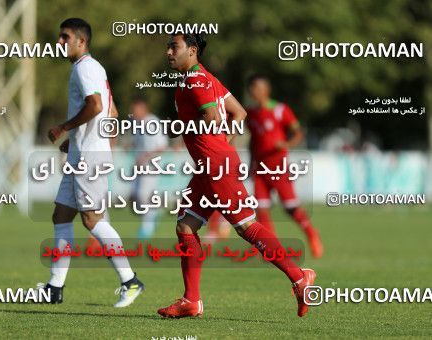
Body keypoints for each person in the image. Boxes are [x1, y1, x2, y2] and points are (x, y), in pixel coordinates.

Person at [157, 33, 316, 318]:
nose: (168, 51)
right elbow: (239, 113)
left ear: (192, 51)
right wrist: (221, 143)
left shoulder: (195, 80)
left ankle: (299, 276)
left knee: (247, 227)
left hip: (215, 165)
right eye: (168, 46)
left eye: (174, 47)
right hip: (210, 164)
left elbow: (213, 117)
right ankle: (191, 301)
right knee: (186, 226)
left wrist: (198, 140)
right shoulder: (207, 78)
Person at [42, 18, 144, 308]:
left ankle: (130, 281)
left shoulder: (86, 67)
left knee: (91, 219)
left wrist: (65, 127)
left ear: (81, 42)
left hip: (88, 156)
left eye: (65, 37)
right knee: (61, 215)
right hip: (83, 152)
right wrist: (78, 138)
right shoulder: (92, 68)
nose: (60, 42)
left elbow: (96, 106)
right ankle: (54, 288)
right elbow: (112, 111)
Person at [247, 75, 323, 258]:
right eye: (252, 88)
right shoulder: (251, 113)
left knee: (290, 207)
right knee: (261, 208)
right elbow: (254, 141)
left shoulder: (280, 110)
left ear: (266, 90)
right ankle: (271, 248)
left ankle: (312, 234)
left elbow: (298, 132)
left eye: (257, 88)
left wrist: (288, 144)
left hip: (278, 167)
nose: (254, 92)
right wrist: (251, 163)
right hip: (260, 168)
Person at [128, 97, 169, 239]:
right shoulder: (137, 123)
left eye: (136, 109)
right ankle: (155, 211)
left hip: (151, 166)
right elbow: (139, 144)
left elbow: (162, 146)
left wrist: (145, 157)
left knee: (143, 196)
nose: (133, 112)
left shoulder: (152, 122)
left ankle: (147, 228)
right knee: (134, 197)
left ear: (144, 108)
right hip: (139, 166)